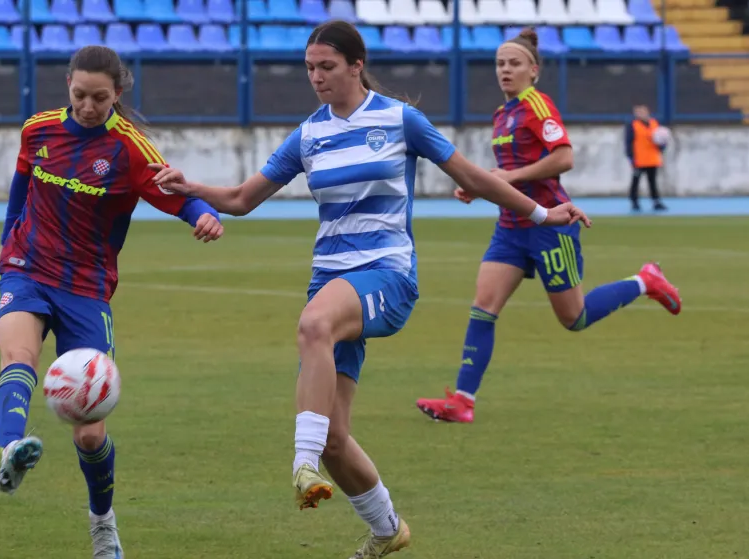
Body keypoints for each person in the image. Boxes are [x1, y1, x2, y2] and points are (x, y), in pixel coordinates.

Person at [147, 20, 589, 559]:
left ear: (357, 66)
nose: (316, 77)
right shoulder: (309, 133)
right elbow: (241, 198)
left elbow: (474, 177)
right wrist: (192, 188)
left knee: (313, 324)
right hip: (331, 280)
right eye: (309, 68)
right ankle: (387, 529)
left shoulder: (400, 120)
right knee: (335, 437)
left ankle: (299, 463)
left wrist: (543, 214)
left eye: (327, 67)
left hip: (387, 276)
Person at [0, 45, 223, 558]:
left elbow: (176, 191)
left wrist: (201, 214)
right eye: (79, 95)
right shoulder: (38, 130)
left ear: (117, 93)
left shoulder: (129, 149)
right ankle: (12, 448)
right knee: (19, 358)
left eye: (100, 98)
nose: (88, 107)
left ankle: (103, 525)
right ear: (68, 88)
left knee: (91, 435)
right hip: (26, 270)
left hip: (86, 290)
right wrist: (4, 251)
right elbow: (19, 190)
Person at [414, 28, 682, 425]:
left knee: (575, 318)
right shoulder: (501, 113)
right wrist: (484, 184)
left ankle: (646, 280)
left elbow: (564, 158)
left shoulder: (538, 106)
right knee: (483, 307)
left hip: (549, 224)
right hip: (510, 224)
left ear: (533, 70)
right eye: (501, 64)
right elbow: (513, 172)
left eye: (514, 63)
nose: (506, 70)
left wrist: (506, 178)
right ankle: (463, 401)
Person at [626, 104, 667, 212]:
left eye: (642, 112)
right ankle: (634, 202)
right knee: (636, 181)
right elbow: (628, 142)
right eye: (638, 112)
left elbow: (661, 140)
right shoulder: (633, 125)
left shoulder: (655, 123)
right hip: (639, 159)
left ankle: (656, 201)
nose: (640, 114)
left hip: (652, 158)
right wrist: (630, 157)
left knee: (652, 182)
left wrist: (662, 146)